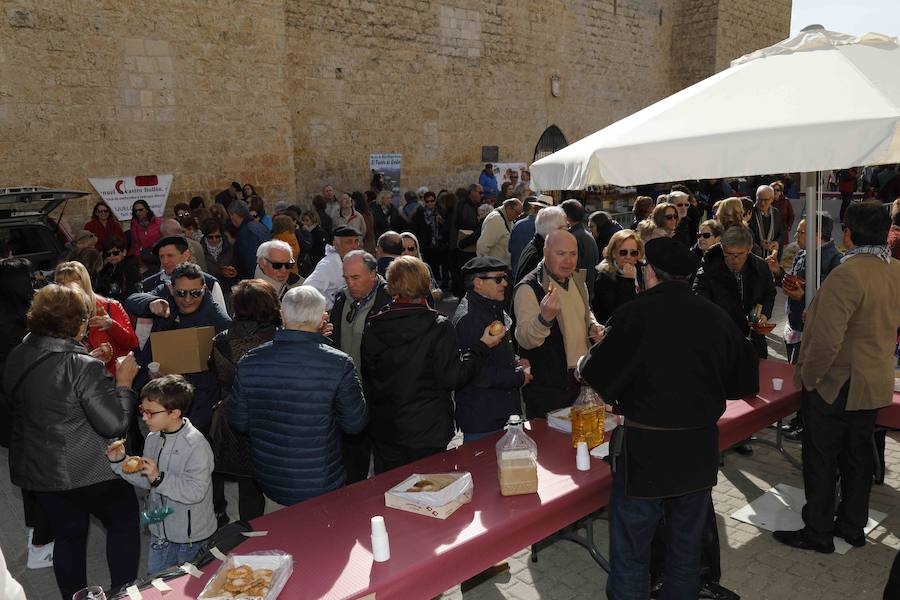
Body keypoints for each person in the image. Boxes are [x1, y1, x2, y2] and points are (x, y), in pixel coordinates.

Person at [579, 237, 758, 600]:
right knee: (686, 548)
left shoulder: (633, 314)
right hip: (697, 447)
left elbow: (595, 375)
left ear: (649, 273)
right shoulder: (715, 316)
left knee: (632, 551)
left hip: (646, 449)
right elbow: (745, 382)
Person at [774, 203, 900, 554]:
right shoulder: (895, 269)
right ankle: (852, 526)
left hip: (837, 382)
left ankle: (818, 531)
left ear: (849, 233)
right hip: (872, 380)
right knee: (858, 458)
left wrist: (810, 378)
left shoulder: (848, 273)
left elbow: (826, 340)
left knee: (822, 458)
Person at [4, 284, 141, 600]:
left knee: (68, 536)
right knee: (123, 521)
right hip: (89, 471)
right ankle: (122, 594)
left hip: (40, 471)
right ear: (78, 325)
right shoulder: (82, 366)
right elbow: (113, 424)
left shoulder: (18, 353)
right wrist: (124, 384)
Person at [361, 256, 503, 473]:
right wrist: (482, 346)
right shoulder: (437, 326)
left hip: (387, 430)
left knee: (392, 487)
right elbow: (453, 377)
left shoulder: (374, 324)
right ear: (425, 284)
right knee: (430, 488)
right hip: (427, 431)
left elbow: (368, 377)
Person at [231, 286, 368, 510]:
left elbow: (239, 421)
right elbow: (355, 425)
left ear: (282, 315)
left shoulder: (250, 361)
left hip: (270, 478)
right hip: (322, 480)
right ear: (323, 319)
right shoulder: (339, 363)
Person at [107, 374, 215, 573]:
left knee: (188, 583)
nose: (144, 418)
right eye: (142, 410)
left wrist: (159, 478)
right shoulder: (153, 438)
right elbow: (147, 480)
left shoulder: (196, 445)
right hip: (159, 531)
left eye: (151, 412)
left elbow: (196, 492)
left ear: (174, 413)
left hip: (190, 538)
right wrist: (120, 462)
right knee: (156, 582)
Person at [128, 262, 231, 433]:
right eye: (181, 293)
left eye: (195, 293)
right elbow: (132, 300)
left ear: (204, 288)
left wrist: (175, 381)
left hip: (198, 406)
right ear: (171, 288)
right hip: (157, 402)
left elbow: (223, 375)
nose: (188, 300)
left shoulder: (218, 321)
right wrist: (151, 303)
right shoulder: (164, 298)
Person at [513, 230, 604, 418]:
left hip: (582, 378)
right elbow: (524, 339)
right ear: (545, 253)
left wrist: (592, 325)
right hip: (550, 389)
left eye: (573, 254)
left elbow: (585, 311)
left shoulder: (577, 279)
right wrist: (544, 319)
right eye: (561, 253)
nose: (568, 261)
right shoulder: (528, 288)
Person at [210, 280, 279, 524]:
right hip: (274, 418)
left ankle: (252, 536)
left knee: (247, 488)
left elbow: (222, 378)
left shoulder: (221, 340)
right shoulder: (280, 337)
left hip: (237, 419)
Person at [329, 250, 391, 483]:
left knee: (384, 464)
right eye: (346, 277)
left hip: (380, 394)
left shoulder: (389, 299)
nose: (350, 283)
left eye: (356, 277)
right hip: (349, 393)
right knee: (353, 460)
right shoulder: (341, 299)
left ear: (373, 274)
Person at [452, 256, 530, 442]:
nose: (505, 283)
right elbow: (475, 373)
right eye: (498, 279)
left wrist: (514, 360)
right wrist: (518, 377)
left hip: (498, 412)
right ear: (478, 283)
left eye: (505, 277)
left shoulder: (490, 305)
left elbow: (491, 355)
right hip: (483, 418)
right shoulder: (470, 318)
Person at [693, 225, 776, 360]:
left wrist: (764, 314)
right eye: (729, 254)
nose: (735, 259)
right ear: (722, 249)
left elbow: (769, 292)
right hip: (719, 341)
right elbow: (699, 304)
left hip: (754, 339)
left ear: (749, 250)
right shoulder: (708, 270)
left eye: (740, 254)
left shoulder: (760, 267)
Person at [54, 261, 138, 377]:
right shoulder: (56, 314)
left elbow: (133, 343)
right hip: (79, 378)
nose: (67, 287)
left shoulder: (110, 306)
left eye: (73, 281)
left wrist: (112, 326)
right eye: (61, 283)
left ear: (85, 282)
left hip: (112, 378)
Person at [131, 235, 227, 312]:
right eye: (161, 257)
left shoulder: (210, 283)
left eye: (170, 256)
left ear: (186, 255)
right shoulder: (148, 285)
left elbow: (221, 317)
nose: (165, 261)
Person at [303, 225, 362, 309]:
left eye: (356, 241)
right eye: (349, 242)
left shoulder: (351, 260)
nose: (354, 246)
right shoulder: (328, 264)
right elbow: (307, 290)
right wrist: (333, 306)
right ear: (335, 243)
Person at [592, 229, 643, 324]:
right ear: (614, 253)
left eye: (633, 253)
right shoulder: (604, 277)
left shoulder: (640, 270)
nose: (628, 257)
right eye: (623, 252)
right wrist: (628, 280)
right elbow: (619, 312)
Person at [513, 205, 567, 285]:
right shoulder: (538, 257)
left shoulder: (536, 247)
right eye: (565, 227)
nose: (567, 231)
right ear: (554, 230)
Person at [561, 199, 600, 300]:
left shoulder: (573, 237)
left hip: (579, 293)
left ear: (566, 216)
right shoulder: (586, 234)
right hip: (587, 290)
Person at [450, 184, 484, 297]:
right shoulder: (464, 205)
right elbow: (461, 223)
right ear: (472, 192)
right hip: (463, 246)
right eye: (480, 192)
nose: (481, 195)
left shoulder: (474, 205)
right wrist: (478, 223)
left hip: (468, 245)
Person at [410, 190, 448, 286]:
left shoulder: (441, 211)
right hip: (426, 244)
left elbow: (447, 227)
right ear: (425, 202)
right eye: (428, 201)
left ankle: (438, 285)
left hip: (439, 243)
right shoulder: (420, 213)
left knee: (438, 266)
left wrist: (442, 222)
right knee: (428, 266)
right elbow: (416, 228)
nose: (430, 203)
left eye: (432, 201)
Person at [229, 199, 272, 280]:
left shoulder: (246, 232)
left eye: (230, 215)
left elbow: (251, 263)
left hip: (257, 279)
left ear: (234, 215)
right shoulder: (260, 226)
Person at [508, 195, 549, 275]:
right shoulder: (547, 227)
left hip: (518, 271)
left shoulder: (519, 224)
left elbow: (510, 248)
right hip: (536, 273)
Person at [94, 236, 142, 302]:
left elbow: (134, 292)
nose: (112, 256)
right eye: (108, 254)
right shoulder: (105, 270)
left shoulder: (131, 268)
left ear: (124, 252)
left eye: (115, 253)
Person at [476, 198, 523, 265]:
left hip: (501, 266)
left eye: (520, 214)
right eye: (517, 213)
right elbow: (482, 246)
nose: (517, 216)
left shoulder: (507, 219)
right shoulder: (496, 219)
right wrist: (486, 267)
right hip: (494, 267)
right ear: (509, 208)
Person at [200, 218, 238, 296]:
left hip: (227, 289)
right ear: (205, 236)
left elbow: (237, 265)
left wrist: (234, 273)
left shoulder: (229, 247)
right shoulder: (200, 250)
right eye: (210, 237)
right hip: (210, 290)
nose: (214, 240)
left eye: (217, 236)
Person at [748, 185, 783, 258]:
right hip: (755, 257)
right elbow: (746, 234)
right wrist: (759, 243)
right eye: (760, 199)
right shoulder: (749, 213)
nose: (762, 203)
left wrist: (776, 243)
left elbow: (781, 233)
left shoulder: (776, 212)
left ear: (772, 199)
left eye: (766, 200)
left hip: (772, 256)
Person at [128, 199, 162, 272]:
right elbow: (136, 245)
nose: (138, 213)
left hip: (160, 254)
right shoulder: (135, 226)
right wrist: (141, 263)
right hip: (146, 258)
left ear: (147, 210)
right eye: (136, 211)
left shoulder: (158, 222)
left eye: (140, 210)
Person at [771, 180, 794, 248]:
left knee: (783, 251)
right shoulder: (768, 201)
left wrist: (788, 227)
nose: (775, 192)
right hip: (771, 231)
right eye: (773, 190)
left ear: (781, 191)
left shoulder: (786, 201)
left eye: (777, 190)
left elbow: (791, 216)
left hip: (783, 231)